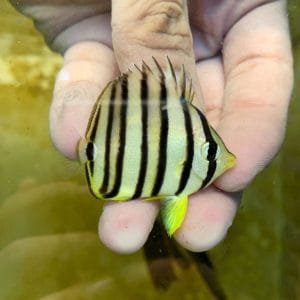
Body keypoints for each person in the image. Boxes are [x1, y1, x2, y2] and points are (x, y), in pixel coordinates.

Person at [10, 0, 293, 253]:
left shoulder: (190, 136)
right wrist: (156, 31)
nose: (225, 159)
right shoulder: (188, 130)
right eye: (209, 152)